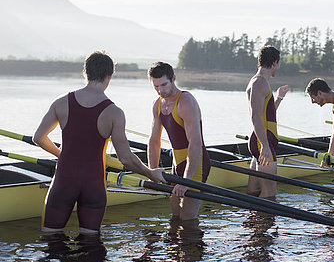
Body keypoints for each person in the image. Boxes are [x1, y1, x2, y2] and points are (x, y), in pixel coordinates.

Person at [33, 51, 165, 234]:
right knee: (90, 245)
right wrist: (150, 173)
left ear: (85, 73)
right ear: (109, 76)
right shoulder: (114, 113)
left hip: (63, 182)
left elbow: (38, 137)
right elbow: (125, 159)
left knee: (50, 241)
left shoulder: (61, 103)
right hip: (93, 186)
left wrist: (62, 154)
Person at [147, 61, 211, 222]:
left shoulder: (186, 102)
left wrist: (186, 181)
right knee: (175, 217)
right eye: (156, 86)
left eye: (164, 84)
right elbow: (154, 141)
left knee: (188, 219)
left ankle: (193, 246)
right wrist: (152, 172)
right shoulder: (157, 105)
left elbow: (195, 144)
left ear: (173, 78)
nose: (160, 90)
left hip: (196, 165)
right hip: (177, 165)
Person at [246, 46, 289, 198]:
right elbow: (255, 117)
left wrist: (279, 98)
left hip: (261, 139)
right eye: (279, 63)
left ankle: (251, 221)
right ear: (275, 62)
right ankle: (264, 222)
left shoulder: (259, 81)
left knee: (254, 191)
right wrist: (264, 145)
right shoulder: (260, 83)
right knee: (270, 193)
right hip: (262, 141)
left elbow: (266, 114)